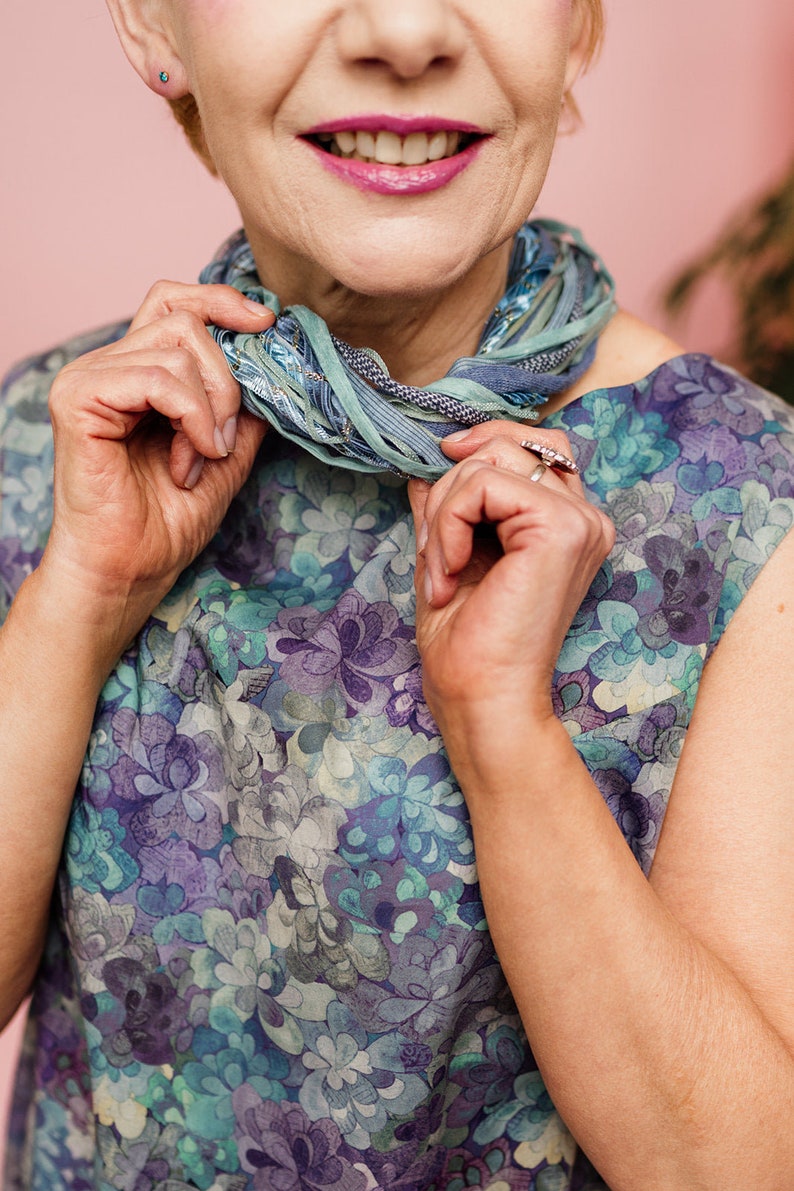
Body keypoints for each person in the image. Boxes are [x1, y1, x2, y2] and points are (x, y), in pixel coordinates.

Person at [2, 3, 794, 1189]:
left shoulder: (743, 504)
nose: (409, 28)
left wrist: (500, 732)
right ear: (154, 25)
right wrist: (84, 591)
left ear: (575, 32)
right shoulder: (60, 434)